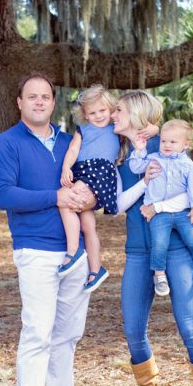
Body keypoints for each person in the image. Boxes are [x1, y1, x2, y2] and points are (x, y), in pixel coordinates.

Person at [0, 73, 101, 386]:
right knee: (38, 331)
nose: (39, 102)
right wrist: (55, 197)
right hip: (35, 249)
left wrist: (88, 200)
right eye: (31, 97)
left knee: (69, 331)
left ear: (53, 103)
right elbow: (3, 194)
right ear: (19, 102)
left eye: (46, 97)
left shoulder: (72, 142)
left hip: (76, 251)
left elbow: (94, 186)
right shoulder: (6, 144)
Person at [111, 91, 193, 386]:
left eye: (119, 110)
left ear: (138, 115)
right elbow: (117, 206)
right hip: (137, 252)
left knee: (188, 326)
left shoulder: (167, 151)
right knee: (132, 328)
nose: (113, 115)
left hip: (176, 250)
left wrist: (154, 132)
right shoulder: (121, 159)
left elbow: (173, 135)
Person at [129, 118, 193, 297]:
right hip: (159, 215)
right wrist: (138, 150)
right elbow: (135, 166)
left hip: (183, 213)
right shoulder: (153, 159)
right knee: (159, 243)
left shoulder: (187, 164)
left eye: (173, 142)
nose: (167, 145)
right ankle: (159, 275)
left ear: (186, 144)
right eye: (163, 141)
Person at [58, 85, 120, 293]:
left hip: (100, 171)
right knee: (88, 225)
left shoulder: (116, 127)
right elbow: (73, 149)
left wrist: (153, 129)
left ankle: (73, 251)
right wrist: (66, 167)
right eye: (92, 113)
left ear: (111, 108)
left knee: (67, 201)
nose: (98, 116)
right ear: (85, 114)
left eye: (102, 110)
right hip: (83, 171)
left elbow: (142, 125)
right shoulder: (83, 130)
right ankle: (96, 269)